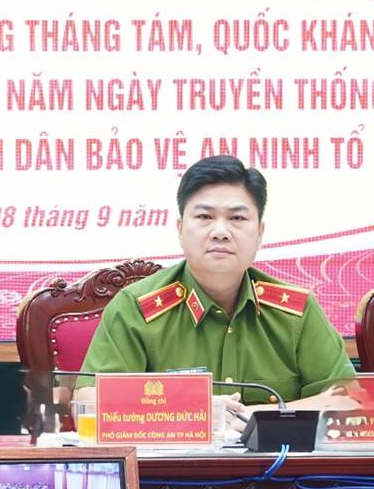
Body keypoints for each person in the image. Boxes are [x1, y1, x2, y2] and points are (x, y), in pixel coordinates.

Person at [77, 155, 355, 412]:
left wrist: (251, 415)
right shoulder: (137, 308)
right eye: (204, 217)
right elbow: (89, 405)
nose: (220, 232)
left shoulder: (296, 311)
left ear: (259, 233)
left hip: (278, 464)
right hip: (172, 466)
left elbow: (349, 401)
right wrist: (196, 413)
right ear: (180, 229)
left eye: (237, 218)